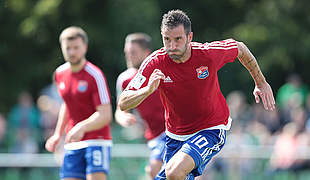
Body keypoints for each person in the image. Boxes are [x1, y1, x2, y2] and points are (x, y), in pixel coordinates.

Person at [118, 10, 276, 180]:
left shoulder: (207, 54)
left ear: (190, 37)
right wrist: (147, 89)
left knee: (174, 172)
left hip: (210, 129)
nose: (172, 46)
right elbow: (123, 103)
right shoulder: (155, 62)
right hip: (174, 135)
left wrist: (261, 83)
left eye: (178, 39)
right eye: (167, 40)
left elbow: (240, 48)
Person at [45, 26, 113, 180]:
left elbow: (106, 114)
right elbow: (67, 105)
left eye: (76, 47)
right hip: (73, 142)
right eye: (67, 48)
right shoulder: (60, 73)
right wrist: (57, 134)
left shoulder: (95, 74)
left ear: (85, 47)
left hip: (97, 140)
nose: (72, 52)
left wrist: (82, 127)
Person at [115, 33, 166, 179]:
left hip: (173, 131)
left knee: (153, 170)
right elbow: (120, 110)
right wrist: (124, 117)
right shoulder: (125, 80)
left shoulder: (160, 72)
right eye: (127, 53)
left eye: (133, 53)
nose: (128, 56)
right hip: (153, 136)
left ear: (146, 53)